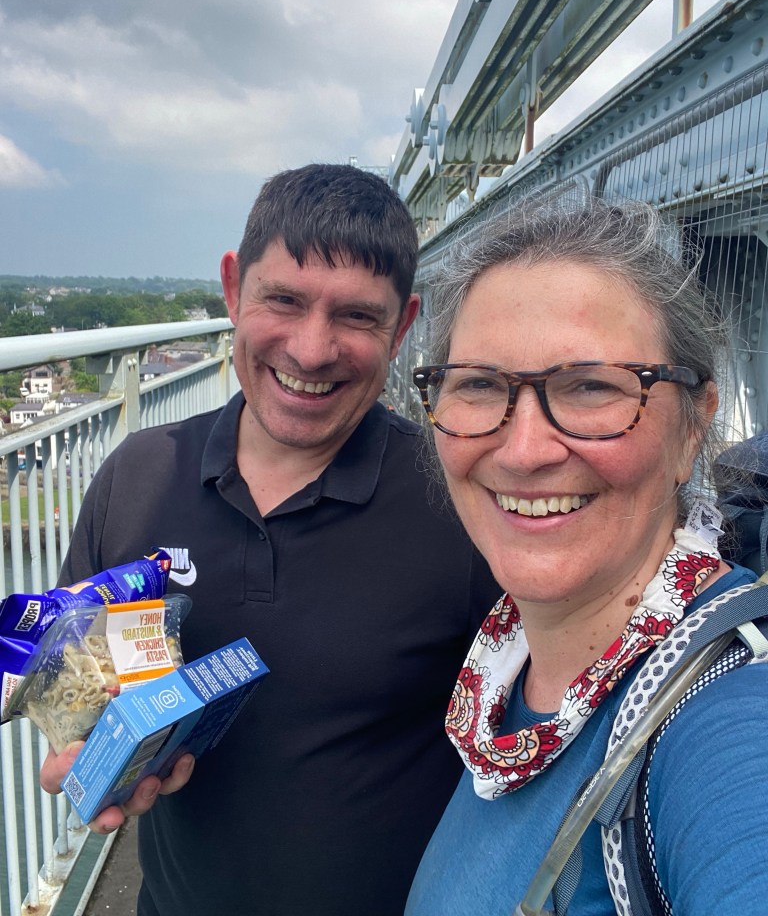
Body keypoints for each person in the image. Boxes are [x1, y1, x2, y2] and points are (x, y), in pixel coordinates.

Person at [41, 164, 498, 916]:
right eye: (283, 300)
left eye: (357, 316)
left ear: (403, 326)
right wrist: (89, 752)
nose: (312, 351)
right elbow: (74, 678)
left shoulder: (460, 502)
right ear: (232, 288)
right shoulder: (137, 477)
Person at [403, 197, 768, 915]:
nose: (525, 451)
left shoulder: (724, 719)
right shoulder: (506, 674)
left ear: (694, 427)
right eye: (479, 384)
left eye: (592, 386)